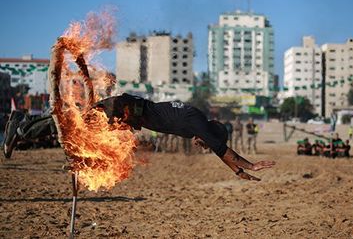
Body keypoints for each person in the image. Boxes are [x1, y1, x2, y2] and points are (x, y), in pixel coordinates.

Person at [3, 93, 275, 181]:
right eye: (205, 142)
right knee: (74, 129)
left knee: (75, 127)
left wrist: (237, 171)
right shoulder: (200, 123)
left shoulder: (195, 118)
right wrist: (248, 166)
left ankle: (24, 128)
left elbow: (217, 148)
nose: (200, 146)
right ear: (212, 131)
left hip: (126, 111)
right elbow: (220, 148)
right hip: (124, 111)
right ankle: (22, 127)